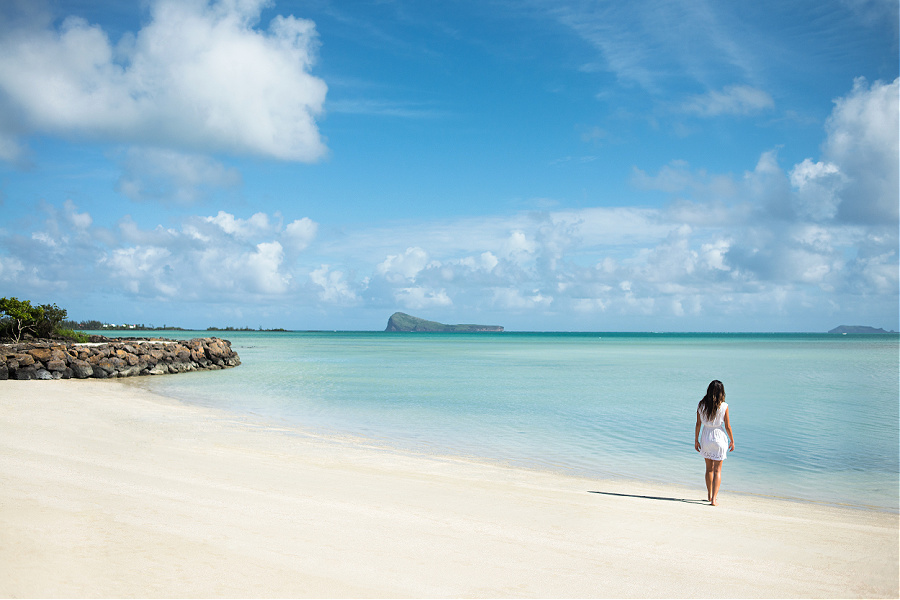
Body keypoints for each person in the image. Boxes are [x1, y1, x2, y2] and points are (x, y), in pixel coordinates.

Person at [694, 379, 734, 506]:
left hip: (706, 437)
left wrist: (696, 440)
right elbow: (727, 426)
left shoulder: (701, 405)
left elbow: (698, 424)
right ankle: (714, 499)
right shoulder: (724, 406)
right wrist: (732, 440)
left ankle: (709, 494)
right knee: (718, 470)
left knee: (709, 469)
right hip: (719, 438)